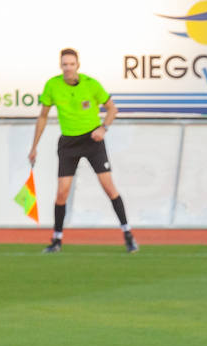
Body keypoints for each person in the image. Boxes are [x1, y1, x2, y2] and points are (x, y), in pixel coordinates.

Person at [29, 49, 137, 254]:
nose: (68, 68)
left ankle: (128, 234)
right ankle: (57, 240)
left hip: (92, 141)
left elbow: (112, 108)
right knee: (62, 192)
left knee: (109, 187)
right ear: (60, 66)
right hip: (68, 143)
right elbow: (42, 116)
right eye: (64, 64)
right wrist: (34, 147)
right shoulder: (52, 85)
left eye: (71, 64)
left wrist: (103, 128)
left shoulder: (91, 84)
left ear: (77, 65)